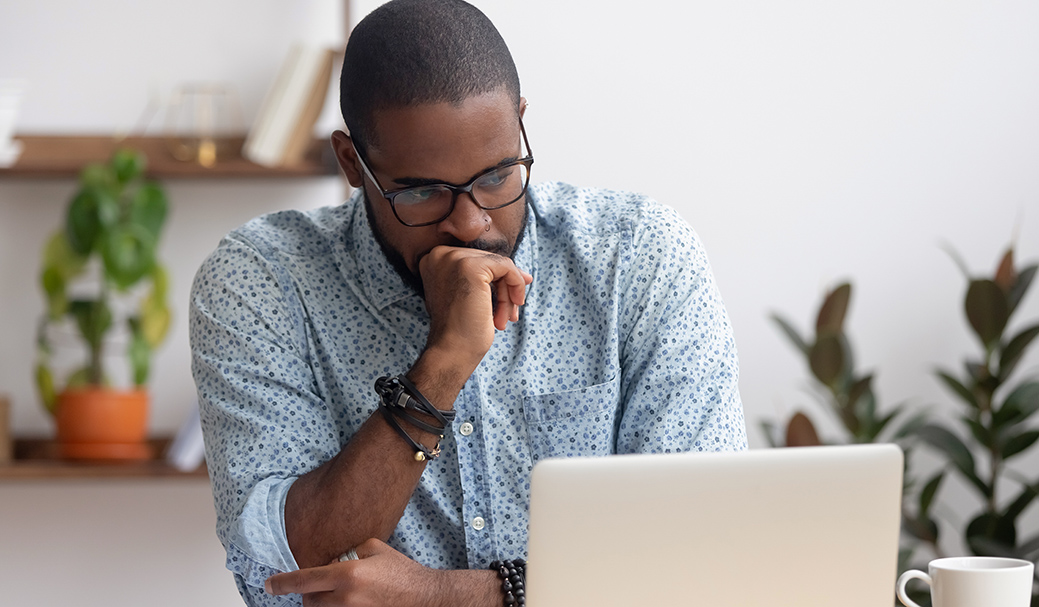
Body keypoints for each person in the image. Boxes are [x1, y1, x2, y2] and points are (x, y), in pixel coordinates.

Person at [189, 0, 747, 605]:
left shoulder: (638, 259)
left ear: (522, 124)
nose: (473, 222)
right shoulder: (263, 280)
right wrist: (444, 362)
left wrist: (444, 597)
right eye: (424, 192)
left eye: (498, 175)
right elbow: (282, 574)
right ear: (353, 162)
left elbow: (701, 555)